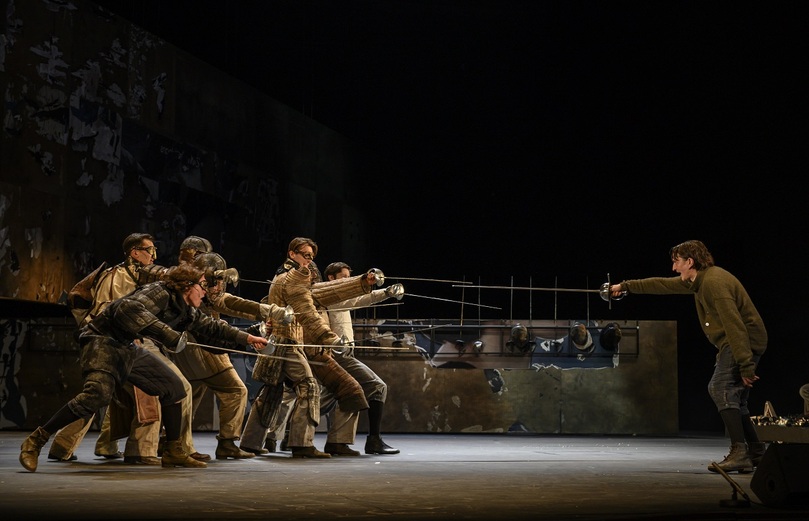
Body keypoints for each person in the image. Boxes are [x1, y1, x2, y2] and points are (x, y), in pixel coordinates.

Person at [19, 263, 269, 472]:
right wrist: (169, 334)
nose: (205, 293)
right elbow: (127, 308)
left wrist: (248, 338)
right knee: (97, 395)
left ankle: (173, 451)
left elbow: (211, 328)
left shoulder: (185, 309)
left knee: (174, 388)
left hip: (128, 347)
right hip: (102, 341)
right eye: (202, 286)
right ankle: (35, 441)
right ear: (187, 285)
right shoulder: (159, 291)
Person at [609, 239, 767, 473]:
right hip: (737, 342)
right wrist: (625, 286)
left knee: (720, 388)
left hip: (742, 341)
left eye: (677, 262)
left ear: (690, 262)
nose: (674, 268)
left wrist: (745, 364)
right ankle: (755, 451)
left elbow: (735, 325)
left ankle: (740, 452)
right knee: (736, 398)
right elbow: (662, 285)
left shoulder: (714, 283)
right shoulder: (699, 281)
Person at [240, 237, 376, 458]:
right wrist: (329, 338)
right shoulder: (292, 278)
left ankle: (250, 442)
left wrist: (363, 282)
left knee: (271, 392)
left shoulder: (288, 276)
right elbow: (308, 313)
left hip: (288, 344)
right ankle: (301, 444)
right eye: (305, 255)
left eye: (312, 257)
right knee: (309, 387)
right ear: (292, 254)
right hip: (289, 344)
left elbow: (329, 291)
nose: (309, 261)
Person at [48, 233, 163, 465]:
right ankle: (141, 450)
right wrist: (133, 337)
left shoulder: (126, 275)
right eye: (149, 250)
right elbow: (110, 312)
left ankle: (76, 445)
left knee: (101, 395)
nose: (153, 256)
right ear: (135, 252)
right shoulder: (119, 277)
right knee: (148, 392)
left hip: (108, 343)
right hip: (113, 344)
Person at [320, 261, 404, 455]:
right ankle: (373, 440)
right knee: (377, 386)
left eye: (349, 277)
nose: (347, 281)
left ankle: (332, 442)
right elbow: (360, 300)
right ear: (331, 278)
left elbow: (357, 299)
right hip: (338, 354)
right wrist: (385, 292)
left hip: (341, 353)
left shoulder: (337, 296)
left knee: (334, 397)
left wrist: (385, 292)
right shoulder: (330, 296)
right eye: (344, 277)